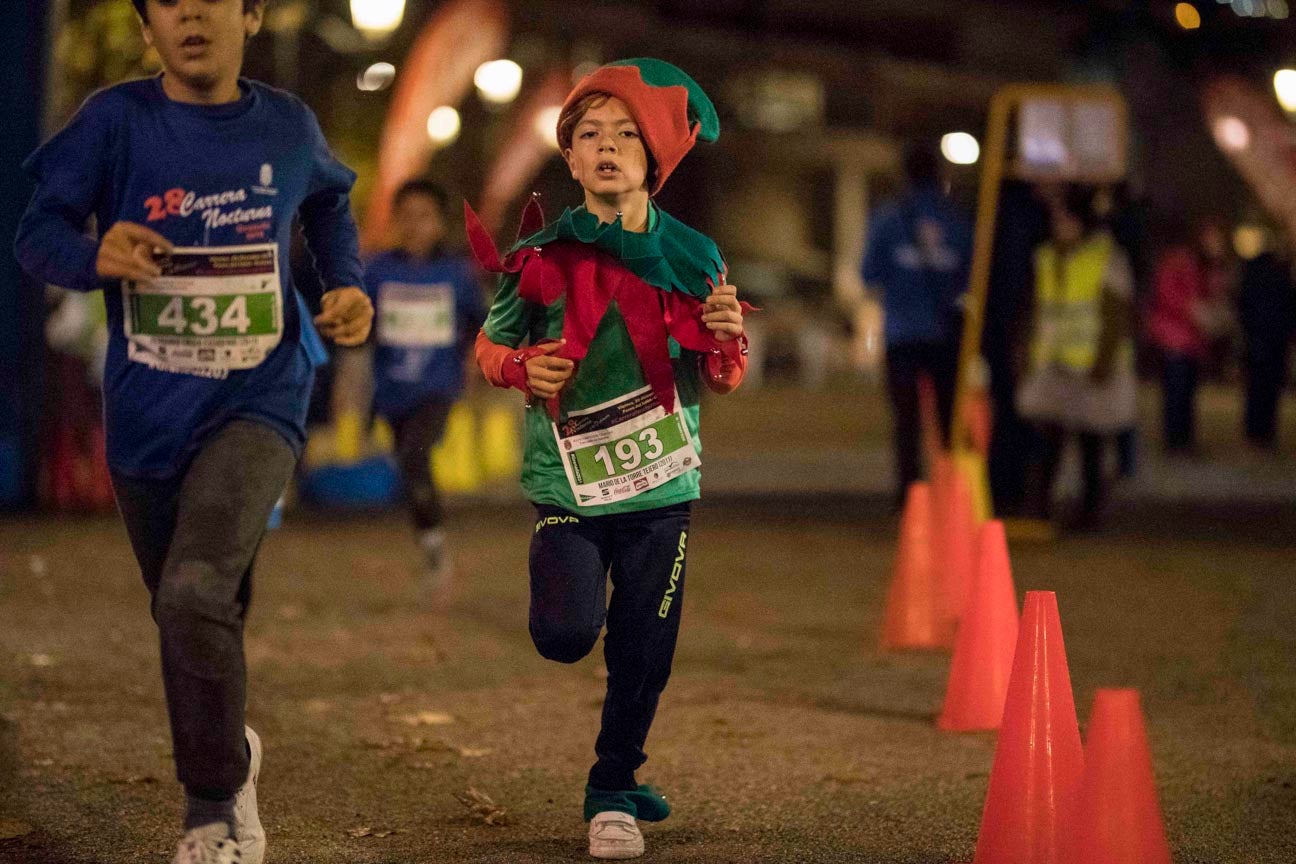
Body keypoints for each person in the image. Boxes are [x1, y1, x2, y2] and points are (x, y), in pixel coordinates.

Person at [14, 1, 373, 862]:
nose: (189, 15)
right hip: (147, 413)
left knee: (194, 591)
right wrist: (93, 254)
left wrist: (347, 284)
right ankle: (232, 748)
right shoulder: (114, 122)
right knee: (189, 608)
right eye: (167, 3)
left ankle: (212, 810)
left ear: (249, 15)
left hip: (261, 395)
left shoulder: (287, 125)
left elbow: (329, 206)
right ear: (150, 29)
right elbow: (36, 234)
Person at [468, 58, 748, 859]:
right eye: (588, 133)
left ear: (654, 157)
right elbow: (490, 346)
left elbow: (725, 376)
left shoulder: (695, 257)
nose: (607, 147)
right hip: (571, 484)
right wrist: (523, 369)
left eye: (626, 133)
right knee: (563, 633)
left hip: (663, 482)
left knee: (643, 647)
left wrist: (728, 339)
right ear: (568, 156)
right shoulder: (544, 255)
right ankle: (612, 767)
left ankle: (613, 789)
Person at [361, 179, 485, 590]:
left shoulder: (456, 273)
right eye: (407, 216)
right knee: (410, 468)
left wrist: (478, 361)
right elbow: (358, 329)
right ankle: (431, 540)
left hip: (438, 389)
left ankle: (434, 547)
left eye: (425, 216)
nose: (415, 225)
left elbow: (482, 323)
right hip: (391, 393)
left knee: (416, 454)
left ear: (440, 223)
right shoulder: (377, 271)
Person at [1017, 185, 1136, 527]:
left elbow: (1116, 317)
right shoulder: (1046, 256)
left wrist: (1103, 362)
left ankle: (1088, 513)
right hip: (1052, 364)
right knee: (1048, 444)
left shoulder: (1106, 257)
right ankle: (1040, 509)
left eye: (1064, 216)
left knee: (1091, 447)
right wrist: (1029, 355)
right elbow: (1039, 311)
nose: (1058, 223)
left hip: (1091, 368)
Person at [861, 143, 973, 506]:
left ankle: (911, 497)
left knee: (906, 422)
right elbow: (971, 274)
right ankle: (954, 494)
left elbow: (869, 274)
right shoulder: (954, 219)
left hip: (902, 334)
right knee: (948, 421)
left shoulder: (889, 219)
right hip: (945, 332)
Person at [1146, 220, 1235, 453]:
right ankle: (1175, 441)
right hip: (1175, 337)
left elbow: (1215, 294)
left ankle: (1184, 440)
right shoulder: (1178, 261)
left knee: (1187, 393)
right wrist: (1191, 309)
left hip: (1193, 340)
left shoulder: (1207, 266)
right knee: (1176, 392)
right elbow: (1167, 294)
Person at [1236, 237, 1295, 449]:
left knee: (1258, 390)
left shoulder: (1256, 277)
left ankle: (1257, 433)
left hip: (1261, 341)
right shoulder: (1279, 278)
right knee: (1265, 391)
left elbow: (1243, 306)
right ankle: (1263, 433)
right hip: (1270, 341)